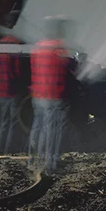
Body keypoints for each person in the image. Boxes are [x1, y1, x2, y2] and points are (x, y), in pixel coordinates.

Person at [28, 17, 71, 175]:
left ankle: (32, 160)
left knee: (37, 127)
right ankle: (50, 165)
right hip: (53, 95)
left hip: (38, 95)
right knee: (52, 130)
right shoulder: (59, 49)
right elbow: (66, 71)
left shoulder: (38, 47)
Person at [0, 22, 23, 154]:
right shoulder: (14, 43)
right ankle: (9, 150)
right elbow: (16, 70)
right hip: (12, 90)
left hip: (1, 88)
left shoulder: (1, 43)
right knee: (13, 121)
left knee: (3, 122)